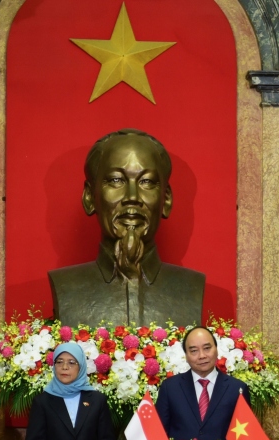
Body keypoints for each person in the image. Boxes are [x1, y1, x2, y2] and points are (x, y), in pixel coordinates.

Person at [48, 129, 205, 327]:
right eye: (116, 180)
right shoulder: (66, 286)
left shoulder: (191, 287)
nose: (132, 197)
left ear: (166, 200)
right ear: (89, 197)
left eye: (146, 182)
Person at [26, 342, 117, 440]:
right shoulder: (42, 401)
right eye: (59, 362)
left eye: (71, 363)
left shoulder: (97, 400)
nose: (64, 367)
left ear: (81, 367)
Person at [154, 326, 250, 440]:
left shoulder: (237, 389)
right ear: (186, 356)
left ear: (216, 350)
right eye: (194, 351)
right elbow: (159, 435)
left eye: (207, 348)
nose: (202, 355)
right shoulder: (170, 388)